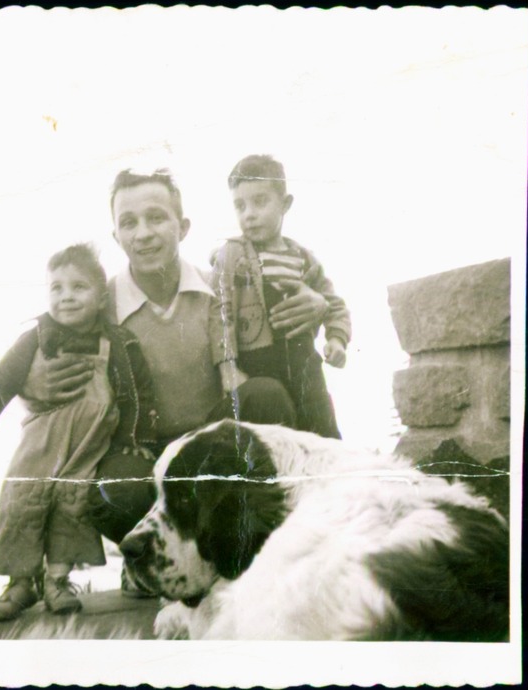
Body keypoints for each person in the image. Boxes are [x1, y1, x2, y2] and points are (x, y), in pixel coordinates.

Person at [23, 168, 332, 567]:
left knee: (265, 395)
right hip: (143, 451)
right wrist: (30, 383)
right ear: (116, 236)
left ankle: (247, 556)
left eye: (157, 218)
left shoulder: (220, 289)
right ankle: (156, 562)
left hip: (211, 449)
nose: (144, 233)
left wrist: (318, 304)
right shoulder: (99, 304)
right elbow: (42, 344)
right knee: (111, 494)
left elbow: (280, 320)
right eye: (129, 223)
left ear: (183, 227)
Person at [0, 244, 156, 620]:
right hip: (40, 442)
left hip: (87, 445)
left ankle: (58, 582)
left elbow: (138, 397)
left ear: (101, 298)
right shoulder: (36, 336)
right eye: (57, 288)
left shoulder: (119, 345)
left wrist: (136, 440)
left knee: (72, 505)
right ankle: (19, 583)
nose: (66, 296)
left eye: (78, 287)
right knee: (22, 500)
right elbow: (6, 374)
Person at [210, 154, 351, 438]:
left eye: (260, 202)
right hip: (258, 365)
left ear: (285, 204)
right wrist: (228, 367)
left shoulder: (303, 258)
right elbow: (220, 314)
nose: (249, 214)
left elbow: (333, 303)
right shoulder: (231, 256)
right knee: (279, 435)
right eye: (240, 205)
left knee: (322, 432)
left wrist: (337, 339)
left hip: (305, 365)